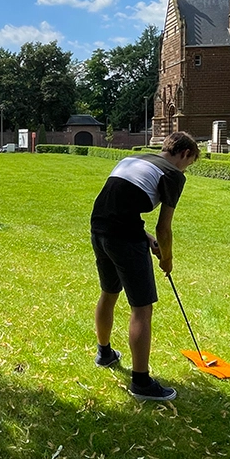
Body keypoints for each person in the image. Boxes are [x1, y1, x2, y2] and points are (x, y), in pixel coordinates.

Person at [90, 131, 201, 402]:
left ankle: (104, 354)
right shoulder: (173, 175)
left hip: (99, 228)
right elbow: (164, 229)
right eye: (190, 162)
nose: (187, 168)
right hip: (122, 236)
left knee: (109, 293)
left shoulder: (135, 158)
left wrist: (143, 237)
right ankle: (141, 382)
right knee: (141, 307)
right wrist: (167, 258)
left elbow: (122, 205)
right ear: (185, 154)